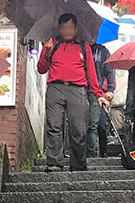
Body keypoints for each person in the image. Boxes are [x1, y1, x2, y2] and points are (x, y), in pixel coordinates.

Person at [38, 13, 107, 171]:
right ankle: (54, 162)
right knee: (54, 126)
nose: (66, 30)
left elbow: (91, 73)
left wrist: (99, 95)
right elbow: (41, 69)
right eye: (63, 27)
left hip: (78, 90)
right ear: (59, 28)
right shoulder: (52, 44)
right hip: (55, 88)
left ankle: (78, 164)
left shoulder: (84, 46)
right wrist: (47, 52)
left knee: (79, 128)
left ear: (75, 28)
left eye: (69, 27)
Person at [86, 42, 114, 157]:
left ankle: (102, 152)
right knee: (86, 125)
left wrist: (110, 90)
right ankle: (89, 153)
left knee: (101, 125)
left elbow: (110, 72)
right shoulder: (80, 48)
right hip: (81, 90)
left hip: (100, 93)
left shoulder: (103, 51)